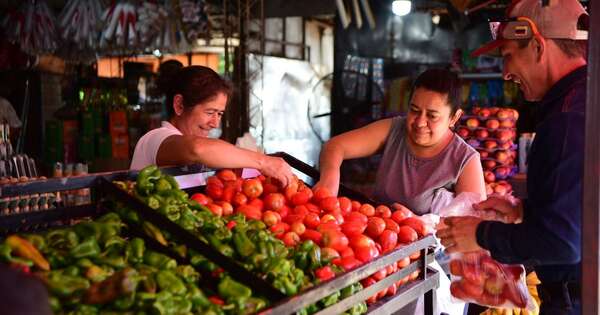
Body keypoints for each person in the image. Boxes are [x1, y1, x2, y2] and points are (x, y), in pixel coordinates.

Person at [437, 0, 588, 314]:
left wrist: (481, 235)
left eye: (508, 56)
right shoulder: (583, 101)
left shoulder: (567, 119)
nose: (505, 72)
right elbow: (583, 210)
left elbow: (563, 242)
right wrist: (524, 211)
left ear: (537, 46)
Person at [316, 68, 486, 315]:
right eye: (414, 110)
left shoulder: (465, 160)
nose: (419, 122)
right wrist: (330, 179)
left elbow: (473, 229)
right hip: (379, 262)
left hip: (432, 279)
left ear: (454, 117)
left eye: (432, 116)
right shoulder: (394, 131)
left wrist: (422, 225)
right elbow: (335, 146)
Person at [131, 65, 294, 187]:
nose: (215, 123)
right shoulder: (154, 139)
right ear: (179, 105)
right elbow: (196, 149)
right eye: (210, 112)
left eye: (220, 114)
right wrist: (263, 162)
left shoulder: (199, 149)